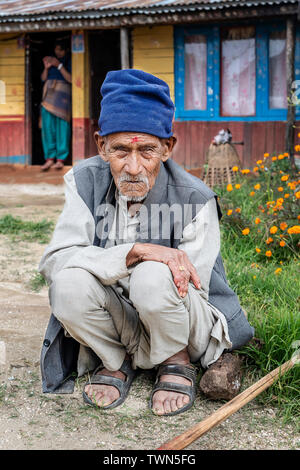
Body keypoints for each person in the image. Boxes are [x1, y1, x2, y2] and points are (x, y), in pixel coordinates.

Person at [38, 69, 254, 417]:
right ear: (101, 145)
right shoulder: (83, 181)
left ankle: (174, 359)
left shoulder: (196, 198)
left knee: (154, 275)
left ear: (168, 148)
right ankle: (116, 359)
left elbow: (191, 289)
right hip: (119, 318)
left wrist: (145, 264)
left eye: (148, 151)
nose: (134, 166)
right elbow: (55, 260)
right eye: (121, 150)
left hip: (183, 322)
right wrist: (132, 252)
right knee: (67, 284)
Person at [40, 40, 72, 171]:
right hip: (48, 99)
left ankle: (60, 159)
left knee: (62, 129)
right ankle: (49, 159)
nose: (57, 52)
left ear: (65, 50)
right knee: (47, 129)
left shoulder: (69, 60)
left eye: (60, 50)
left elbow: (70, 79)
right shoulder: (51, 61)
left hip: (62, 100)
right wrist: (47, 68)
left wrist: (59, 65)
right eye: (56, 49)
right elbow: (43, 79)